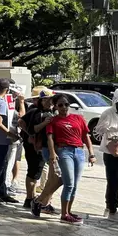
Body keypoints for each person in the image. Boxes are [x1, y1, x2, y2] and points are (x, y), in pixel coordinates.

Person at [46, 94, 96, 225]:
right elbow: (50, 138)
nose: (64, 107)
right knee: (69, 183)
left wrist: (91, 154)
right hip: (64, 151)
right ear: (56, 106)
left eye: (66, 105)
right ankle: (64, 214)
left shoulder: (78, 118)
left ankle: (69, 211)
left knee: (75, 185)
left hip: (79, 151)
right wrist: (52, 153)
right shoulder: (53, 121)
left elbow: (86, 136)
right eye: (60, 105)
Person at [94, 88, 118, 223]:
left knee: (116, 181)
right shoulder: (108, 113)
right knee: (113, 180)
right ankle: (113, 209)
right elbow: (98, 131)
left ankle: (109, 206)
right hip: (111, 151)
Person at [19, 88, 53, 210]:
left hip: (45, 146)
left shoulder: (51, 112)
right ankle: (30, 198)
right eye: (46, 100)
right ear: (41, 101)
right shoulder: (36, 112)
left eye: (51, 100)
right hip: (35, 147)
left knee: (40, 173)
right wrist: (31, 134)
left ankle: (35, 199)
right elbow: (23, 123)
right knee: (34, 172)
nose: (49, 102)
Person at [0, 78, 20, 205]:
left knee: (3, 165)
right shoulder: (1, 102)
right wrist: (10, 134)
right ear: (7, 90)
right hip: (0, 139)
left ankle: (2, 192)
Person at [4, 82, 26, 194]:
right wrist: (21, 102)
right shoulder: (8, 102)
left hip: (13, 137)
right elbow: (22, 117)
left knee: (12, 161)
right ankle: (6, 184)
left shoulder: (8, 101)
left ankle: (6, 183)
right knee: (8, 162)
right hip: (10, 136)